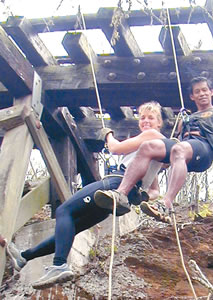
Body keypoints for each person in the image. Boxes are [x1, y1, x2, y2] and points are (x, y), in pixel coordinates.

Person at [6, 101, 171, 289]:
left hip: (114, 184)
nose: (146, 121)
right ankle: (24, 257)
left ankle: (59, 265)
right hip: (116, 200)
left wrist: (107, 135)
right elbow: (154, 190)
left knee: (63, 211)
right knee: (71, 227)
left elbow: (116, 148)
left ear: (159, 123)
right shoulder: (157, 151)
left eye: (151, 118)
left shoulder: (151, 136)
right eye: (142, 118)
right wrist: (143, 197)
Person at [94, 76, 213, 221]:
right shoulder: (185, 120)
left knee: (178, 149)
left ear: (211, 92)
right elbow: (175, 157)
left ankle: (167, 203)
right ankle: (121, 194)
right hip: (186, 149)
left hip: (205, 148)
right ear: (192, 96)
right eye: (197, 91)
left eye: (204, 90)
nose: (201, 94)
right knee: (148, 147)